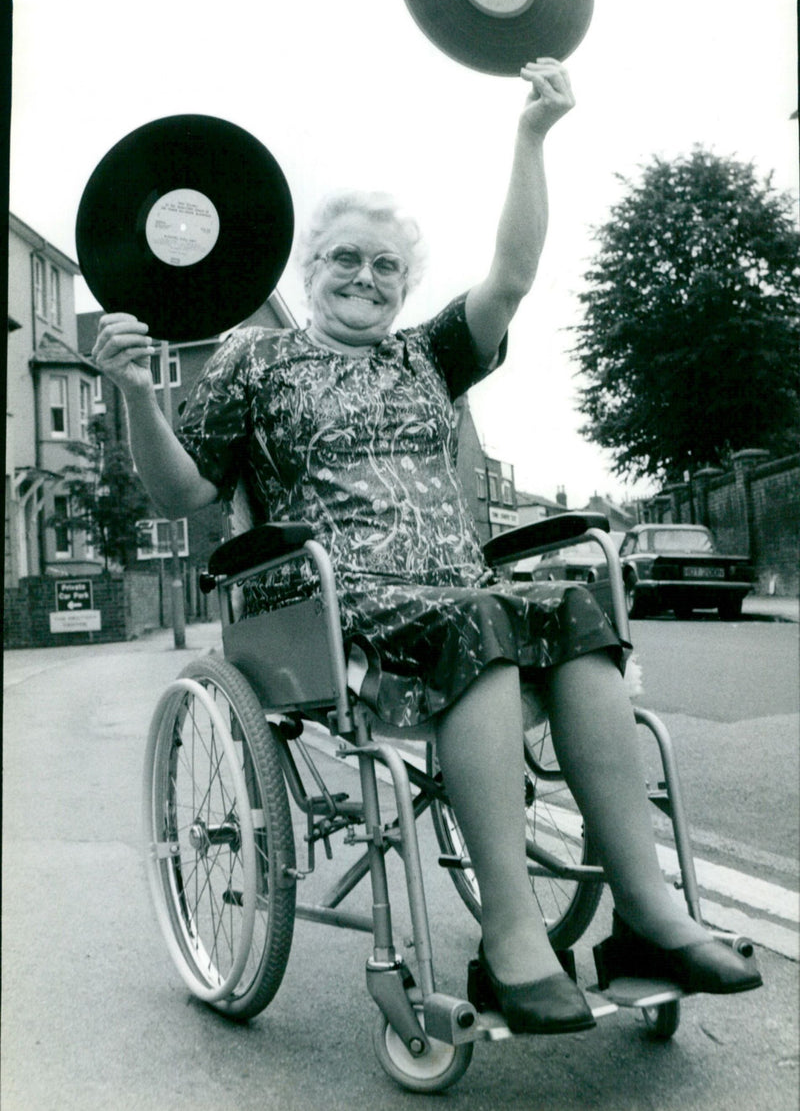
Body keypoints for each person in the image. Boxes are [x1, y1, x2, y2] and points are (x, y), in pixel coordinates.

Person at [92, 58, 760, 1034]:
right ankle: (511, 940)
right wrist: (136, 392)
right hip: (329, 607)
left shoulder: (425, 356)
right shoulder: (256, 359)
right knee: (484, 615)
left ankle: (648, 916)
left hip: (452, 594)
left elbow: (514, 274)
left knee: (577, 606)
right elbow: (187, 491)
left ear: (403, 285)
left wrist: (531, 136)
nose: (365, 278)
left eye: (385, 267)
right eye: (345, 260)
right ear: (308, 269)